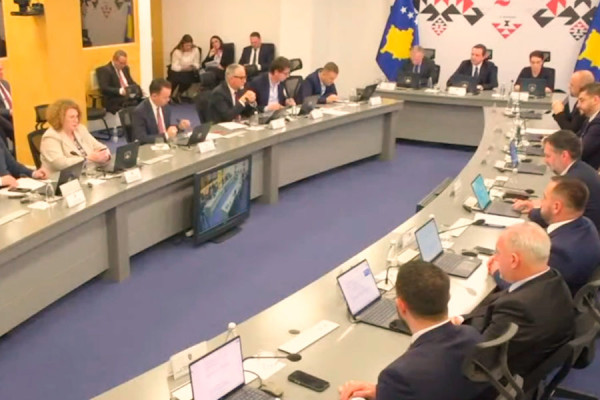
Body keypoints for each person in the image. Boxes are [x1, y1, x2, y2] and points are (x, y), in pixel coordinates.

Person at [338, 260, 489, 400]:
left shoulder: (399, 375)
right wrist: (385, 391)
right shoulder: (472, 336)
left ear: (401, 305)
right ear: (448, 297)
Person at [456, 222, 574, 380]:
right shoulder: (552, 278)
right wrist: (463, 319)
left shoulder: (519, 308)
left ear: (513, 260)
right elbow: (498, 307)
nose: (495, 258)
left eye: (498, 253)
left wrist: (454, 332)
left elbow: (479, 361)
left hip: (494, 379)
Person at [494, 177, 600, 295]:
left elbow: (527, 292)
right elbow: (550, 215)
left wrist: (497, 271)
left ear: (556, 207)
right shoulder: (586, 224)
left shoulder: (559, 253)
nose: (540, 203)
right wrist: (532, 211)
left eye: (544, 198)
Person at [513, 130, 600, 232]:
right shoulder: (581, 168)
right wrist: (535, 204)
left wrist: (532, 211)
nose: (545, 161)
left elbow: (551, 216)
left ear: (564, 155)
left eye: (548, 156)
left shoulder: (572, 181)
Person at [40, 99, 111, 173]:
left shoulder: (80, 129)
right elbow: (60, 164)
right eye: (72, 117)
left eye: (77, 116)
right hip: (63, 178)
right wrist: (87, 159)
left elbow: (101, 147)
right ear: (60, 118)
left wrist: (106, 155)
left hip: (89, 173)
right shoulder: (50, 137)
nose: (76, 120)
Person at [131, 79, 190, 144]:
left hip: (166, 144)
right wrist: (166, 136)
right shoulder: (140, 112)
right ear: (154, 96)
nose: (168, 100)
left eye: (169, 97)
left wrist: (179, 127)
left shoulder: (166, 107)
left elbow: (165, 128)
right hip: (150, 146)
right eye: (165, 97)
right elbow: (141, 138)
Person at [168, 34, 201, 102]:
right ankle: (170, 95)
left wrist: (193, 66)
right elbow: (174, 66)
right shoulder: (177, 52)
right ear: (182, 44)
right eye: (186, 45)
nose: (188, 47)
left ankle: (179, 94)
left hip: (190, 71)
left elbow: (197, 63)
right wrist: (183, 68)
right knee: (175, 77)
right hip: (179, 71)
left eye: (190, 45)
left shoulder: (195, 50)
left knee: (188, 78)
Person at [576, 82, 600, 169]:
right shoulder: (590, 118)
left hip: (589, 170)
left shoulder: (598, 123)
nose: (578, 105)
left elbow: (580, 150)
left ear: (595, 100)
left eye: (582, 100)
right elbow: (575, 138)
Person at [0, 63, 14, 146]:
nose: (1, 72)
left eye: (2, 69)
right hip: (4, 117)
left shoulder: (6, 83)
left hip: (15, 115)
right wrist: (9, 112)